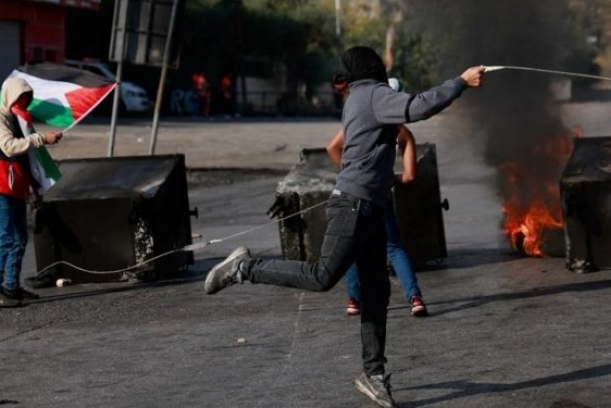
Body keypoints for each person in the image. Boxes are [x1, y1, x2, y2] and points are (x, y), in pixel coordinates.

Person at [204, 46, 484, 408]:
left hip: (369, 206)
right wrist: (460, 82)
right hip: (354, 205)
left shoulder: (359, 96)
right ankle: (246, 267)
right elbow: (418, 108)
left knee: (376, 293)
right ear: (373, 69)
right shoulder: (372, 94)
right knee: (323, 276)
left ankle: (375, 374)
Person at [327, 77, 428, 318]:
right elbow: (410, 176)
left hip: (353, 193)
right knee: (393, 247)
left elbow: (332, 147)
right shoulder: (402, 133)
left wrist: (349, 173)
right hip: (380, 195)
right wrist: (388, 178)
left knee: (353, 246)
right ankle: (414, 298)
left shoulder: (358, 122)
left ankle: (353, 299)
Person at [0, 77, 62, 308]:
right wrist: (41, 139)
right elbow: (10, 146)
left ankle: (11, 287)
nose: (24, 102)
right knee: (5, 237)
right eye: (21, 97)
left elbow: (26, 160)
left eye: (27, 98)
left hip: (16, 187)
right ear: (10, 96)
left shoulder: (20, 121)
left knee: (19, 239)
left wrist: (35, 188)